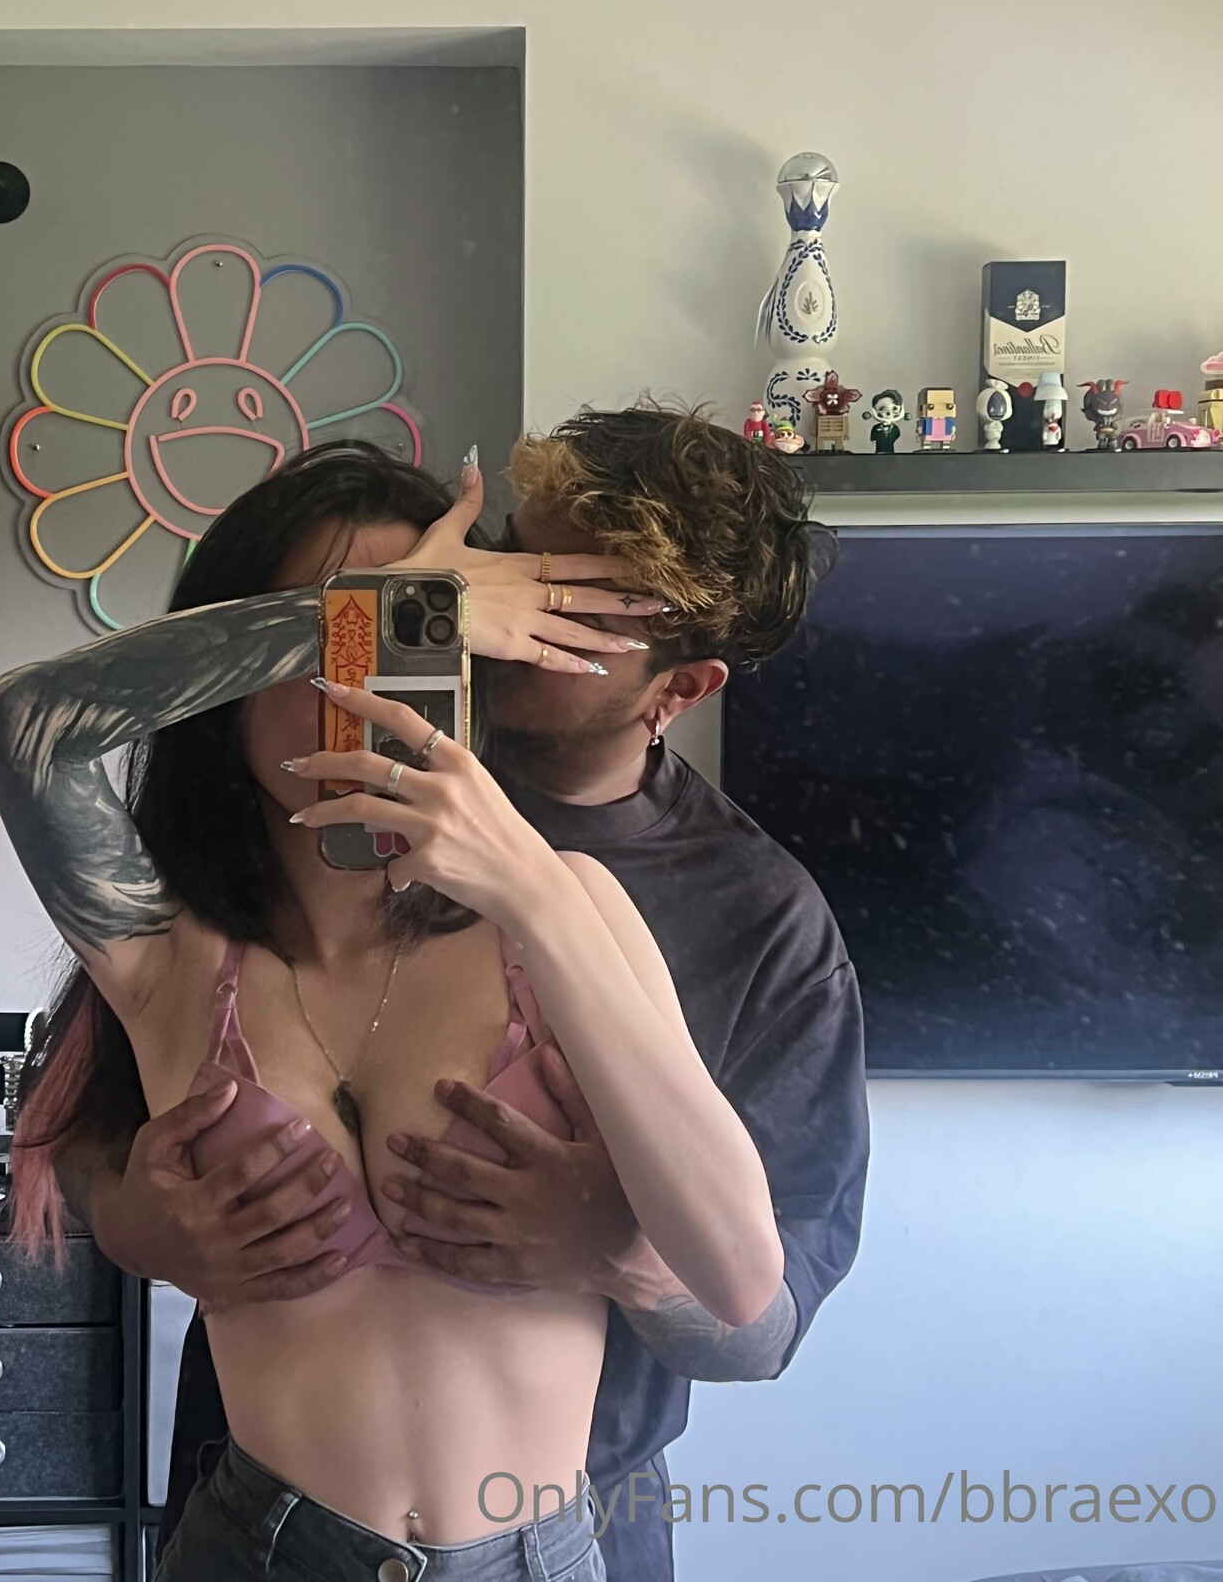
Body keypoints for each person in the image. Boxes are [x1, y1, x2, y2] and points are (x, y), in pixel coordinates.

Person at [48, 403, 871, 1582]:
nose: (503, 618)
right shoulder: (289, 818)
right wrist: (143, 1223)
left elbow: (764, 1320)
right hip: (269, 1498)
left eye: (578, 610)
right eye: (508, 562)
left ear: (677, 689)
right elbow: (88, 1134)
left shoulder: (755, 918)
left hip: (579, 1504)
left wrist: (620, 1253)